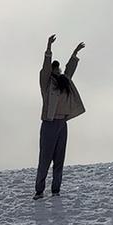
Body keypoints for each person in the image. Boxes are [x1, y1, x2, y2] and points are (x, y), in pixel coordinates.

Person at [33, 33, 85, 199]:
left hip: (62, 123)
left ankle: (56, 190)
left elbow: (70, 70)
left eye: (57, 67)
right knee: (45, 158)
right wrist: (49, 48)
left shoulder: (64, 81)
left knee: (59, 158)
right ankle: (39, 191)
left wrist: (75, 53)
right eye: (55, 68)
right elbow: (45, 67)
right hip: (49, 123)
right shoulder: (47, 83)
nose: (57, 69)